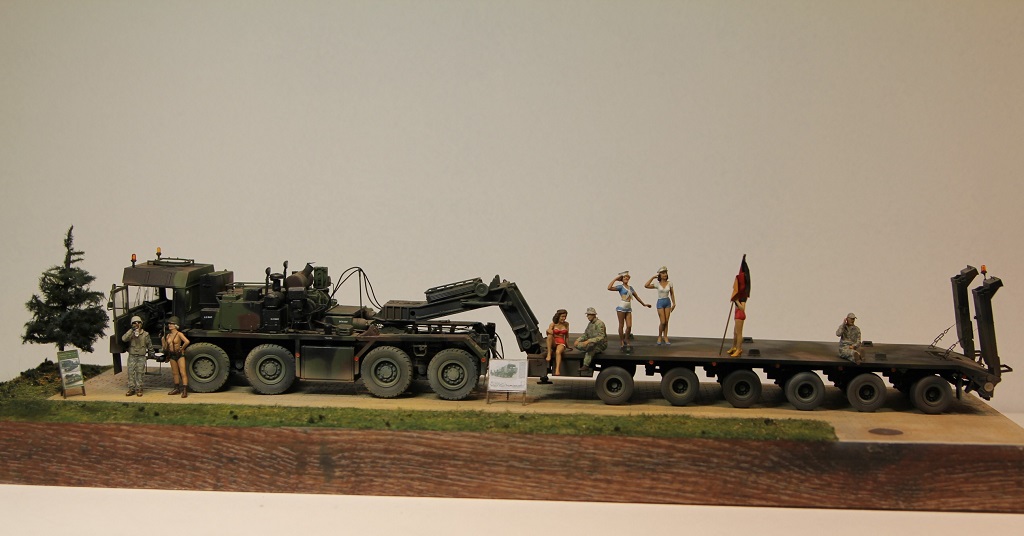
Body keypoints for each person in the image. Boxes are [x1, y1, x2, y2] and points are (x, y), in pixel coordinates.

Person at [608, 272, 651, 352]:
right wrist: (616, 279)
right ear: (622, 279)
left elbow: (636, 296)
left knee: (629, 326)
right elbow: (609, 288)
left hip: (628, 308)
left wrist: (644, 304)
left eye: (627, 277)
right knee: (621, 325)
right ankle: (621, 340)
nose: (626, 279)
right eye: (624, 277)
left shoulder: (630, 288)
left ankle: (626, 338)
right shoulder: (620, 287)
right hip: (621, 308)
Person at [121, 315, 153, 396]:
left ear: (141, 324)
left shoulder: (145, 334)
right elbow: (124, 339)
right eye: (134, 323)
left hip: (141, 356)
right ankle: (131, 388)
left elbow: (149, 344)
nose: (137, 324)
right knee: (130, 372)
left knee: (140, 373)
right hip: (132, 355)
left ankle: (139, 388)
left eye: (138, 322)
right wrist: (131, 330)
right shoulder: (130, 334)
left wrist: (151, 353)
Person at [644, 266, 676, 345]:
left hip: (667, 302)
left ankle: (665, 336)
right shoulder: (657, 284)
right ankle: (659, 336)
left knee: (667, 321)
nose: (665, 274)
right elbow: (646, 285)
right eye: (663, 273)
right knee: (663, 321)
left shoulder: (670, 283)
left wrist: (674, 303)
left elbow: (672, 293)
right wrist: (652, 277)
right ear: (660, 275)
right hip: (660, 302)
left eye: (665, 273)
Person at [538, 309, 571, 384]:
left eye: (565, 316)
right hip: (553, 340)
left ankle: (557, 369)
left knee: (558, 352)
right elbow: (548, 332)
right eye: (562, 316)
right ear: (558, 316)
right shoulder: (553, 324)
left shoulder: (566, 324)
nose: (564, 318)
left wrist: (567, 344)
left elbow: (567, 335)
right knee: (549, 336)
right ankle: (549, 353)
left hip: (561, 341)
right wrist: (548, 330)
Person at [162, 316, 191, 398]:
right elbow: (165, 347)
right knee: (175, 373)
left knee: (182, 372)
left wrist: (182, 348)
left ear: (176, 325)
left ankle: (185, 390)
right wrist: (163, 340)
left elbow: (187, 341)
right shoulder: (168, 335)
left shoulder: (179, 334)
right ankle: (176, 388)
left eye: (172, 324)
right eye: (169, 324)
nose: (169, 325)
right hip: (172, 355)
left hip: (179, 355)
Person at [574, 307, 608, 374]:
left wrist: (589, 341)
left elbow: (601, 337)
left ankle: (586, 365)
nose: (588, 316)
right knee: (578, 345)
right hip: (591, 343)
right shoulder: (590, 324)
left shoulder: (599, 323)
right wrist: (578, 340)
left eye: (589, 315)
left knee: (591, 348)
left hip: (600, 344)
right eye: (587, 315)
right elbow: (585, 335)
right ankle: (588, 352)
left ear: (593, 315)